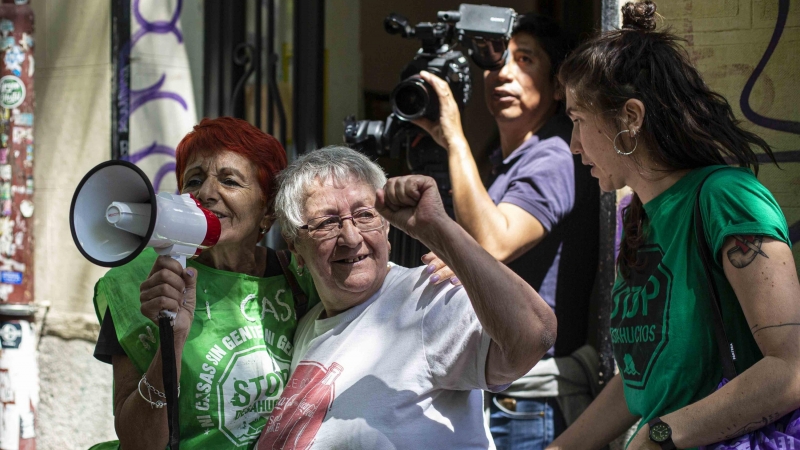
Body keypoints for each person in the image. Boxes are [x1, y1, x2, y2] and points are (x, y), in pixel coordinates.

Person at [546, 2, 800, 449]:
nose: (573, 145)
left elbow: (791, 369)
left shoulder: (727, 198)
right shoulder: (638, 219)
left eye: (579, 121)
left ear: (629, 118)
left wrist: (662, 435)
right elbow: (643, 379)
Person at [255, 146, 557, 449]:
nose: (351, 237)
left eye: (364, 215)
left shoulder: (428, 296)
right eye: (327, 223)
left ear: (386, 225)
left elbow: (535, 335)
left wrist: (440, 231)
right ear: (295, 246)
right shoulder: (308, 325)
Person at [412, 13, 601, 449]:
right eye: (497, 60)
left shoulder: (554, 155)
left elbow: (494, 242)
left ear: (557, 86)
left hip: (528, 403)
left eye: (525, 60)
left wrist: (454, 139)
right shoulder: (502, 159)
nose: (504, 73)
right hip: (502, 392)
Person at [91, 117, 318, 450]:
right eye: (194, 180)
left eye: (230, 181)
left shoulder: (301, 277)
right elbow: (138, 442)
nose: (207, 193)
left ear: (268, 211)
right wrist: (173, 338)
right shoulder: (139, 283)